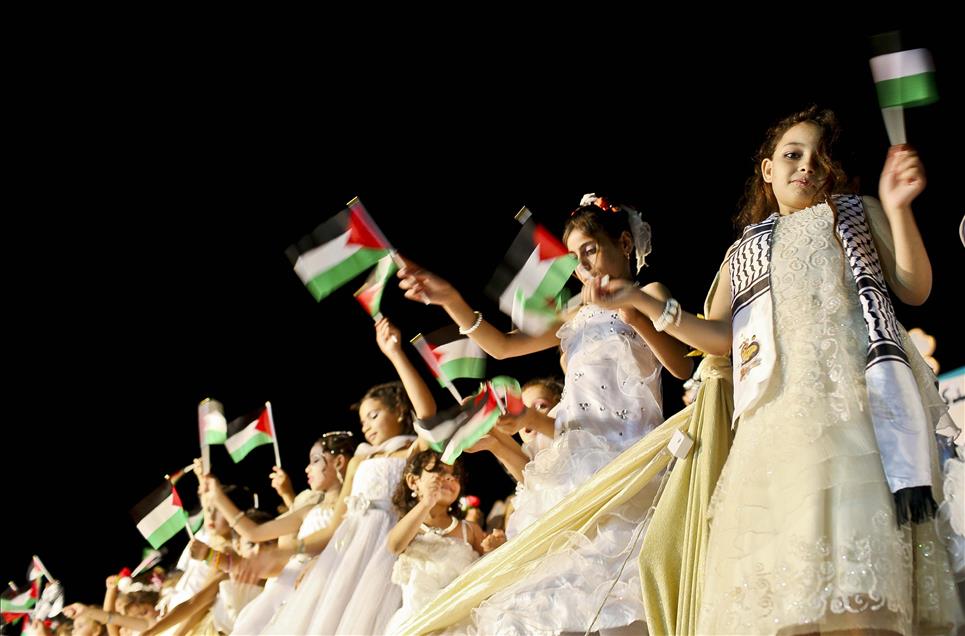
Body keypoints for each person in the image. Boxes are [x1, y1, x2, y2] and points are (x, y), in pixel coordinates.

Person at [586, 107, 961, 634]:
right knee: (792, 578)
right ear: (767, 169)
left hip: (855, 404)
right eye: (792, 154)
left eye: (816, 156)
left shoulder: (852, 211)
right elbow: (721, 339)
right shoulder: (744, 250)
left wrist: (898, 207)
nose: (805, 165)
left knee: (860, 570)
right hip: (778, 416)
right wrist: (646, 306)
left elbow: (914, 287)